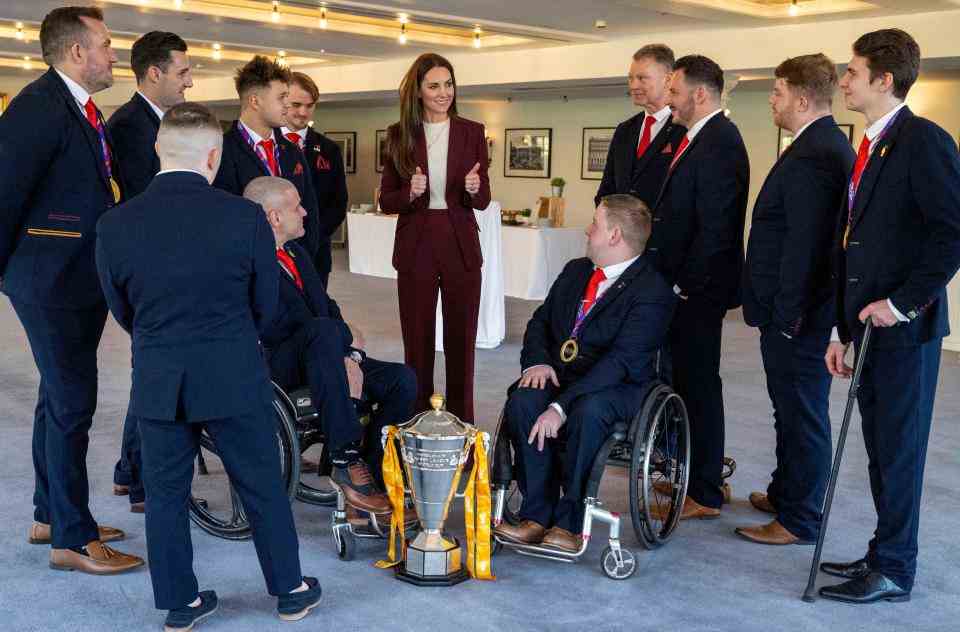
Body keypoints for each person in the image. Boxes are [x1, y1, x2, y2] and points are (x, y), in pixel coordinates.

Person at [95, 103, 322, 631]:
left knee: (166, 495)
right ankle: (289, 591)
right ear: (214, 156)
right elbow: (265, 304)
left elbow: (121, 308)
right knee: (262, 483)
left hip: (160, 375)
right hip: (232, 370)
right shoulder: (244, 217)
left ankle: (181, 605)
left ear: (158, 150)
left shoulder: (114, 223)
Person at [0, 5, 143, 574]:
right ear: (77, 51)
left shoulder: (81, 109)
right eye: (107, 44)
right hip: (49, 280)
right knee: (72, 404)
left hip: (74, 277)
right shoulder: (37, 107)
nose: (115, 55)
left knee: (54, 400)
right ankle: (72, 538)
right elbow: (5, 194)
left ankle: (50, 513)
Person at [819, 29, 960, 604]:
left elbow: (951, 234)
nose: (844, 81)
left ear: (883, 79)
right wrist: (842, 329)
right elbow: (854, 246)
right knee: (880, 449)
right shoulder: (871, 143)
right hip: (865, 330)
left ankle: (896, 568)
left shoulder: (923, 141)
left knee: (899, 452)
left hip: (903, 332)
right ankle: (884, 552)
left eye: (851, 72)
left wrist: (901, 304)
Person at [493, 195, 676, 552]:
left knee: (588, 412)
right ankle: (536, 514)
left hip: (619, 384)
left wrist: (560, 407)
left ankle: (571, 521)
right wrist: (537, 363)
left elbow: (621, 362)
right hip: (564, 372)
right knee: (525, 400)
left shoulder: (652, 291)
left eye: (596, 224)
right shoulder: (576, 271)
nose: (588, 230)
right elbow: (540, 322)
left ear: (615, 235)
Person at [736, 54, 855, 546]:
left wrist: (788, 317)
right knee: (788, 410)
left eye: (778, 91)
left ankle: (800, 518)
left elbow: (806, 245)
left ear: (802, 99)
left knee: (802, 413)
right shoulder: (818, 144)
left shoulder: (817, 153)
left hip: (799, 316)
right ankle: (786, 493)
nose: (772, 99)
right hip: (798, 312)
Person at [248, 176, 416, 513]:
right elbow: (285, 326)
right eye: (297, 206)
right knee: (325, 331)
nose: (306, 212)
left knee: (403, 379)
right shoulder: (252, 262)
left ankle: (374, 471)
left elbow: (327, 306)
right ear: (274, 217)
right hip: (278, 366)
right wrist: (343, 342)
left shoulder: (295, 251)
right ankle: (345, 456)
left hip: (325, 353)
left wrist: (349, 352)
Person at [647, 55, 749, 521]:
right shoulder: (697, 137)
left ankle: (705, 492)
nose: (669, 99)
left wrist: (686, 285)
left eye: (674, 90)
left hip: (697, 291)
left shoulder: (720, 141)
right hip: (684, 287)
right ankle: (698, 477)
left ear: (699, 94)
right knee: (689, 384)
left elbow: (717, 227)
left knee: (700, 386)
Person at [106, 29, 193, 515]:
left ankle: (126, 470)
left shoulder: (159, 123)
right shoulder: (129, 128)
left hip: (165, 265)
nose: (190, 83)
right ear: (154, 73)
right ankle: (140, 479)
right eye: (183, 72)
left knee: (150, 372)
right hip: (153, 269)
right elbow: (146, 204)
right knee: (154, 377)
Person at [379, 52, 490, 423]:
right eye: (434, 86)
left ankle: (462, 426)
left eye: (449, 84)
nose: (444, 93)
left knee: (462, 344)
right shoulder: (398, 135)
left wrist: (475, 188)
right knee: (418, 343)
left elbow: (484, 198)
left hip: (460, 245)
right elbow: (386, 200)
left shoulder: (472, 132)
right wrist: (409, 193)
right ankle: (418, 424)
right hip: (417, 244)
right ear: (418, 91)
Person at [214, 55, 321, 260]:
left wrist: (304, 261)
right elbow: (223, 219)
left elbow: (310, 211)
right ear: (255, 101)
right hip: (247, 267)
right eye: (281, 98)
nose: (287, 105)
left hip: (293, 265)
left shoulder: (292, 151)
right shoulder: (222, 151)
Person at [595, 44, 686, 209]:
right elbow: (607, 190)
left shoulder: (684, 129)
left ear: (668, 79)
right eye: (631, 78)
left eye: (642, 78)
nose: (633, 86)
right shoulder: (624, 130)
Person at [281, 72, 348, 287]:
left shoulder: (329, 149)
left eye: (309, 106)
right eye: (296, 104)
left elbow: (338, 202)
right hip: (272, 248)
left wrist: (313, 236)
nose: (303, 112)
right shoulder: (264, 144)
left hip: (316, 252)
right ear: (283, 101)